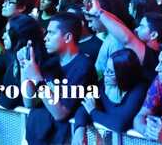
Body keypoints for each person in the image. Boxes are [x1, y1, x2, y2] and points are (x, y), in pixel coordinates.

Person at [19, 12, 97, 145]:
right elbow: (29, 102)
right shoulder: (50, 63)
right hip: (36, 135)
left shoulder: (82, 67)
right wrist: (25, 67)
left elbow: (60, 113)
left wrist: (37, 78)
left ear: (67, 37)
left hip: (59, 139)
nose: (46, 38)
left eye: (51, 33)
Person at [72, 48, 149, 141]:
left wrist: (93, 112)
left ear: (123, 75)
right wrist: (79, 130)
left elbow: (120, 124)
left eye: (110, 72)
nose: (105, 74)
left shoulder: (139, 89)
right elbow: (85, 106)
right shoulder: (104, 84)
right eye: (106, 69)